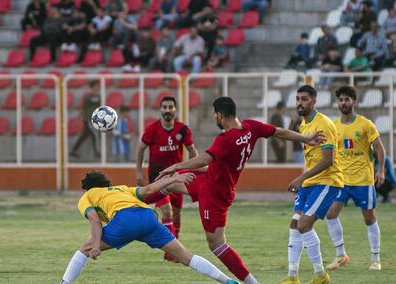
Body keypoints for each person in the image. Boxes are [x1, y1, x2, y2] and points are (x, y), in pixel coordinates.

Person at [146, 96, 325, 283]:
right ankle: (133, 202)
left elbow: (204, 159)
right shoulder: (251, 127)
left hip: (214, 194)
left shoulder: (225, 139)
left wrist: (176, 165)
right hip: (209, 180)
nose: (215, 118)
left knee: (217, 245)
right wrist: (305, 138)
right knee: (169, 181)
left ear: (220, 115)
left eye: (215, 115)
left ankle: (252, 282)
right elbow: (279, 132)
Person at [59, 171, 240, 284]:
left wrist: (96, 246)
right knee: (186, 256)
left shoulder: (87, 196)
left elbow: (95, 222)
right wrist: (174, 179)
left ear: (86, 188)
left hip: (125, 220)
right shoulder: (120, 189)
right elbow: (147, 190)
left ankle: (64, 282)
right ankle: (227, 281)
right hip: (148, 217)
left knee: (84, 249)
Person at [281, 85, 344, 284]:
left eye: (304, 99)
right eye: (297, 98)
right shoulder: (303, 125)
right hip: (310, 182)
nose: (299, 103)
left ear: (314, 101)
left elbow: (328, 160)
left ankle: (321, 275)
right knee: (294, 223)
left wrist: (301, 178)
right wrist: (304, 181)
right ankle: (292, 277)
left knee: (304, 224)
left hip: (327, 181)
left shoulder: (323, 124)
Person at [325, 86, 385, 271]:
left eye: (347, 99)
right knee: (330, 215)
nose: (344, 103)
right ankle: (341, 255)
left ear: (354, 101)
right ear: (338, 103)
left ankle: (375, 259)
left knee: (369, 218)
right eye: (341, 100)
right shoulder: (334, 125)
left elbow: (379, 148)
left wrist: (380, 170)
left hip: (363, 181)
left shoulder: (366, 124)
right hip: (341, 180)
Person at [136, 96, 198, 261]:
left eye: (171, 107)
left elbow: (192, 151)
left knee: (177, 213)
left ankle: (173, 248)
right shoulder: (152, 129)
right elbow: (141, 149)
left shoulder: (182, 130)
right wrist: (138, 172)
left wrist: (194, 168)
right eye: (164, 107)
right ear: (160, 110)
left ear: (175, 110)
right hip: (158, 179)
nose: (167, 110)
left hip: (177, 178)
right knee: (167, 210)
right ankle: (172, 251)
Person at [70, 80, 101, 159]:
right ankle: (97, 152)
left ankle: (74, 150)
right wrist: (80, 116)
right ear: (92, 87)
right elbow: (83, 106)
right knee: (95, 134)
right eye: (96, 86)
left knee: (84, 135)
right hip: (88, 118)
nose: (97, 88)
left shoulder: (100, 96)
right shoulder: (88, 96)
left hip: (96, 118)